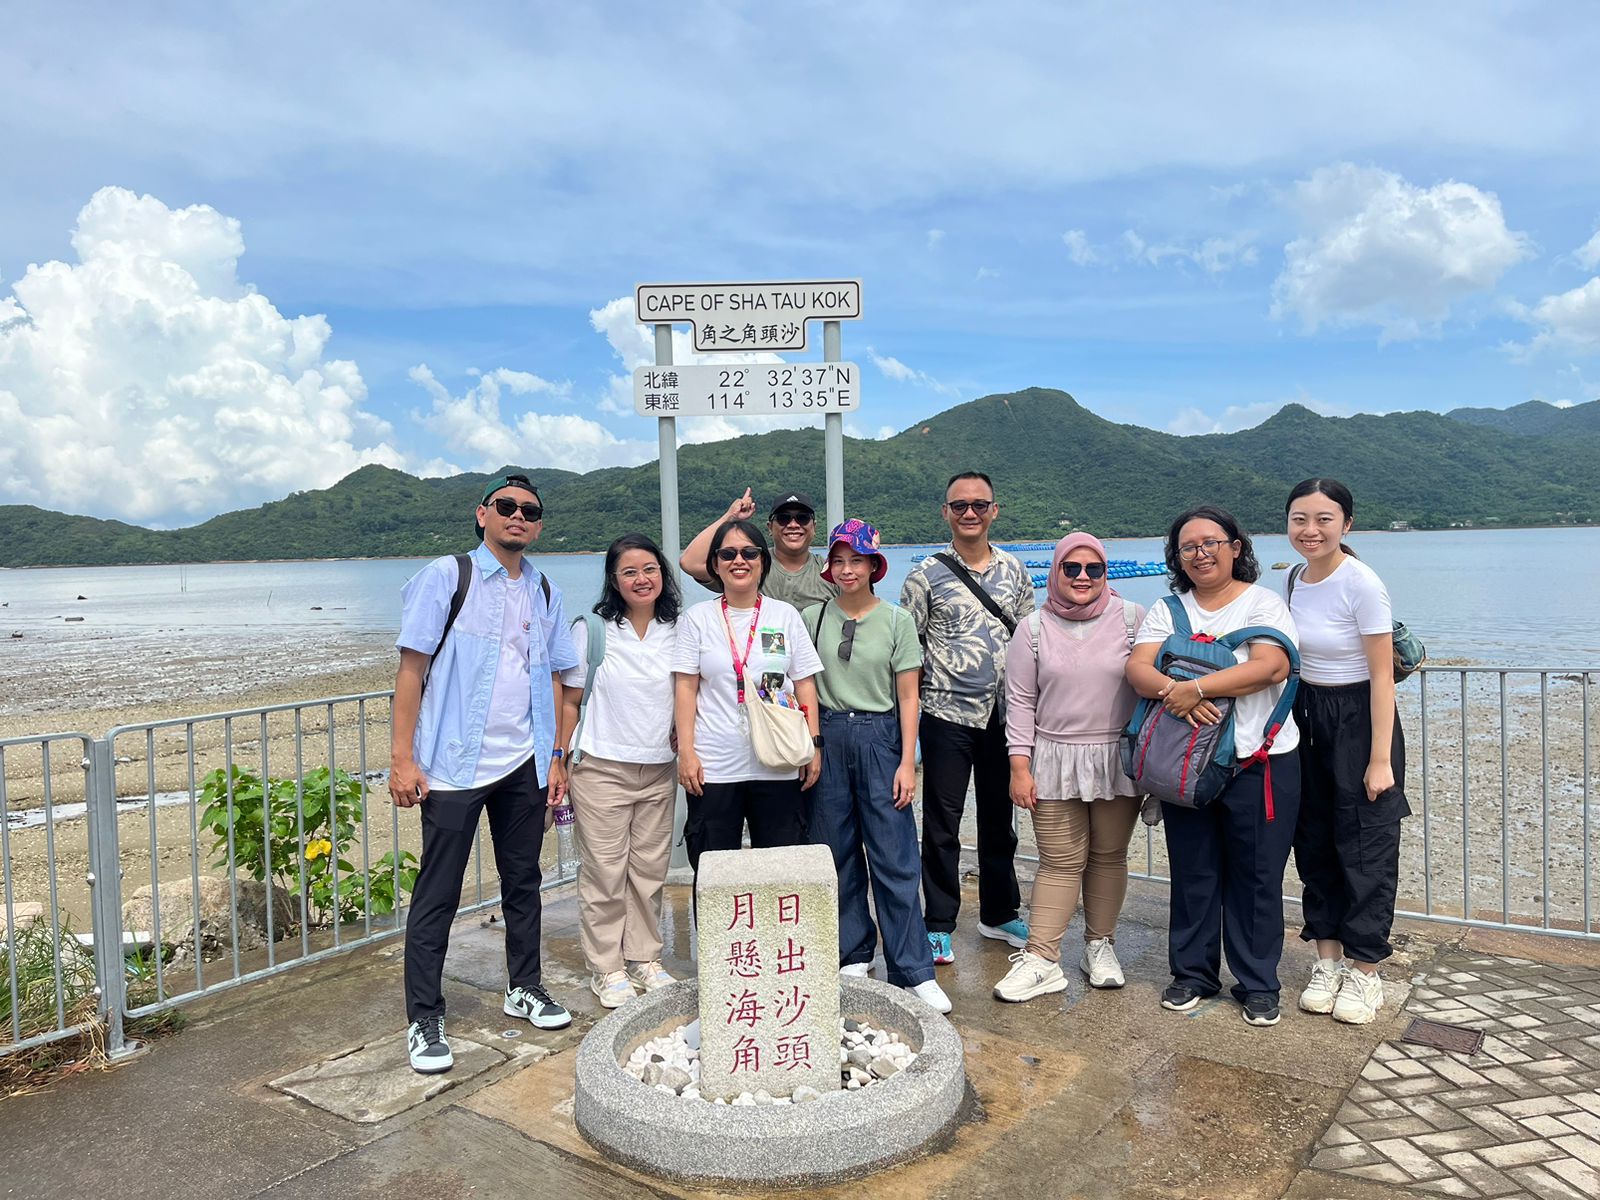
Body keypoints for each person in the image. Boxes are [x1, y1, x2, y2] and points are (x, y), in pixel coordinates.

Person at [390, 473, 577, 1074]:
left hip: (521, 761)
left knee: (523, 883)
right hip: (451, 765)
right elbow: (411, 671)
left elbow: (557, 677)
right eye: (506, 507)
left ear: (539, 523)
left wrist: (555, 757)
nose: (517, 516)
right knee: (437, 894)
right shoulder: (448, 578)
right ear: (483, 515)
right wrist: (401, 759)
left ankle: (525, 985)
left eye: (529, 510)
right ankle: (424, 1017)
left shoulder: (544, 588)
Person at [1126, 505, 1302, 1028]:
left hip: (1259, 759)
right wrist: (1174, 694)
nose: (1200, 553)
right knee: (1195, 870)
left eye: (1211, 542)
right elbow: (1138, 667)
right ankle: (1193, 975)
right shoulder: (1168, 608)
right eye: (1188, 546)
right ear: (1177, 556)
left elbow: (1272, 665)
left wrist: (1192, 688)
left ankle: (1258, 983)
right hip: (1187, 763)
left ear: (1235, 547)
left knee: (1257, 875)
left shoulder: (1262, 602)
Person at [802, 519, 952, 1014]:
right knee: (835, 850)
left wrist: (908, 762)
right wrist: (812, 743)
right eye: (839, 560)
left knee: (894, 855)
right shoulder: (813, 618)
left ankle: (913, 969)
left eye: (856, 561)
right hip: (828, 734)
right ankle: (853, 950)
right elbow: (799, 683)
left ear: (873, 566)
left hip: (880, 735)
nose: (847, 570)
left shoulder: (896, 620)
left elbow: (909, 696)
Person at [995, 533, 1146, 1002]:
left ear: (1105, 573)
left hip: (1116, 756)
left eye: (1094, 569)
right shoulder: (1032, 628)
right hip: (1054, 756)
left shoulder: (1132, 619)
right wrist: (1019, 768)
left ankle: (1100, 946)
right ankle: (1042, 958)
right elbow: (1018, 703)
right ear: (1056, 572)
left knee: (1108, 855)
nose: (1083, 577)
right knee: (1059, 861)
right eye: (1072, 568)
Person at [1284, 478, 1410, 1026]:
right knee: (1313, 842)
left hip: (1359, 716)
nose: (1310, 530)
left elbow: (1382, 677)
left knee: (1367, 847)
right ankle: (1327, 960)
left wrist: (1379, 758)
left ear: (1346, 524)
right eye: (1299, 519)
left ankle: (1365, 974)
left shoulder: (1362, 584)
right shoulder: (1292, 578)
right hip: (1304, 714)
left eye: (1324, 519)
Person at [900, 471, 1035, 965]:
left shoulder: (1016, 572)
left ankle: (999, 912)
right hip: (945, 715)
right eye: (960, 506)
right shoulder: (924, 576)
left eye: (980, 504)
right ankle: (938, 923)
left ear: (994, 510)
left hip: (1004, 716)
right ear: (946, 513)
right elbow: (908, 653)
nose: (970, 513)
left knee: (1001, 821)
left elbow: (1027, 645)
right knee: (942, 823)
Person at [558, 533, 681, 1009]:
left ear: (662, 574)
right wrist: (559, 761)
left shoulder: (678, 628)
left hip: (658, 768)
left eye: (649, 569)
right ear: (613, 579)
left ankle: (645, 958)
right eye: (629, 571)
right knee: (606, 872)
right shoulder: (594, 629)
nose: (641, 579)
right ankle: (606, 967)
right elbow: (570, 701)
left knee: (649, 872)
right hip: (601, 767)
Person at [673, 519, 824, 885]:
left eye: (749, 553)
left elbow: (804, 683)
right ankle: (720, 946)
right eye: (728, 554)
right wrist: (687, 753)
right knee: (713, 877)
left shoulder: (784, 616)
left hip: (778, 762)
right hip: (715, 767)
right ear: (715, 564)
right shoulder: (697, 619)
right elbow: (685, 688)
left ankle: (776, 945)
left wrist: (814, 745)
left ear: (762, 561)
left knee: (782, 874)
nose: (738, 560)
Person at [681, 488, 839, 610]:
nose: (793, 525)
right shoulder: (751, 564)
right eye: (783, 518)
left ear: (814, 527)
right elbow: (690, 563)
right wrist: (730, 517)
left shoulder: (830, 572)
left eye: (802, 518)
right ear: (770, 527)